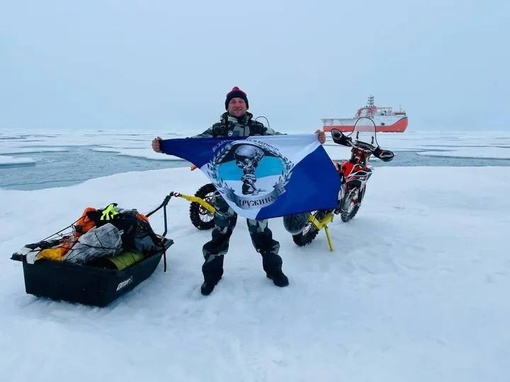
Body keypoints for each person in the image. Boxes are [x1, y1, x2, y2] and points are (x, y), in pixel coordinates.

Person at [152, 86, 326, 296]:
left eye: (240, 102)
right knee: (219, 235)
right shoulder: (217, 130)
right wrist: (165, 146)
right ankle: (212, 275)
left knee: (263, 235)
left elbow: (284, 142)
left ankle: (274, 271)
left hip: (257, 198)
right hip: (226, 195)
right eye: (233, 102)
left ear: (246, 105)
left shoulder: (258, 128)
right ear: (227, 106)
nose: (237, 105)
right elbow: (193, 144)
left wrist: (312, 139)